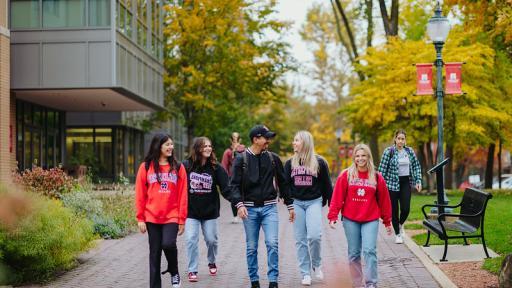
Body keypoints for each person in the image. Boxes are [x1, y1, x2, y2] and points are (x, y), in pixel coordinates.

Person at [230, 125, 295, 288]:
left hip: (269, 208)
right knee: (252, 247)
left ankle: (273, 281)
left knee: (272, 243)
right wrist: (239, 205)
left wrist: (290, 205)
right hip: (249, 210)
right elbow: (234, 186)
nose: (268, 141)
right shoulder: (241, 159)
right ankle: (254, 281)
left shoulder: (273, 158)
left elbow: (283, 182)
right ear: (255, 139)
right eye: (265, 138)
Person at [327, 144, 392, 288]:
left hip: (370, 219)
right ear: (354, 158)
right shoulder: (346, 175)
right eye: (357, 156)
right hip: (351, 219)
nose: (360, 158)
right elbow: (337, 197)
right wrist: (333, 216)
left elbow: (384, 200)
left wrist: (387, 221)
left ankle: (371, 284)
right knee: (354, 253)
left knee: (369, 250)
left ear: (368, 157)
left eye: (363, 155)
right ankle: (357, 283)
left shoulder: (376, 176)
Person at [135, 133, 188, 288]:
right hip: (151, 217)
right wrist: (140, 218)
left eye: (172, 144)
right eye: (167, 144)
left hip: (171, 215)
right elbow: (140, 194)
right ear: (158, 146)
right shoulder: (146, 167)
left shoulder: (178, 167)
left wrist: (182, 219)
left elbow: (183, 194)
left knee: (168, 244)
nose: (171, 147)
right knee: (155, 254)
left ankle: (174, 271)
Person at [284, 131, 333, 286]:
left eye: (296, 140)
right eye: (294, 140)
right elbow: (285, 186)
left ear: (305, 142)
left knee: (314, 236)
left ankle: (317, 264)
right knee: (300, 240)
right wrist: (289, 204)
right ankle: (305, 273)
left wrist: (332, 209)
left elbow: (327, 185)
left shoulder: (320, 162)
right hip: (297, 203)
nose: (293, 143)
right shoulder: (289, 163)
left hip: (314, 202)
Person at [183, 137, 231, 282]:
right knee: (191, 239)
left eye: (210, 146)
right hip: (191, 212)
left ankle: (211, 261)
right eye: (205, 146)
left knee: (211, 240)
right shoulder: (186, 166)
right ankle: (192, 270)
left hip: (210, 212)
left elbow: (226, 189)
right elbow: (178, 188)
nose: (208, 148)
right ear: (197, 148)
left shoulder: (216, 167)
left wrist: (238, 203)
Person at [377, 129, 422, 244]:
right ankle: (397, 234)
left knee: (406, 208)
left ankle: (400, 224)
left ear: (405, 140)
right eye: (399, 138)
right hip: (391, 184)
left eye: (403, 139)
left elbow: (416, 166)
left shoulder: (409, 151)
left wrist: (418, 180)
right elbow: (381, 171)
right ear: (395, 139)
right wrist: (380, 187)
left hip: (405, 182)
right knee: (394, 210)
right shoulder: (389, 151)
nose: (401, 141)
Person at [221, 132, 246, 223]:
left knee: (244, 194)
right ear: (230, 140)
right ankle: (235, 216)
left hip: (243, 177)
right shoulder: (227, 152)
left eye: (237, 139)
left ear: (240, 140)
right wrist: (226, 178)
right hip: (232, 177)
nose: (235, 141)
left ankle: (244, 212)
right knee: (234, 196)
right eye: (233, 139)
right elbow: (224, 165)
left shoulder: (244, 150)